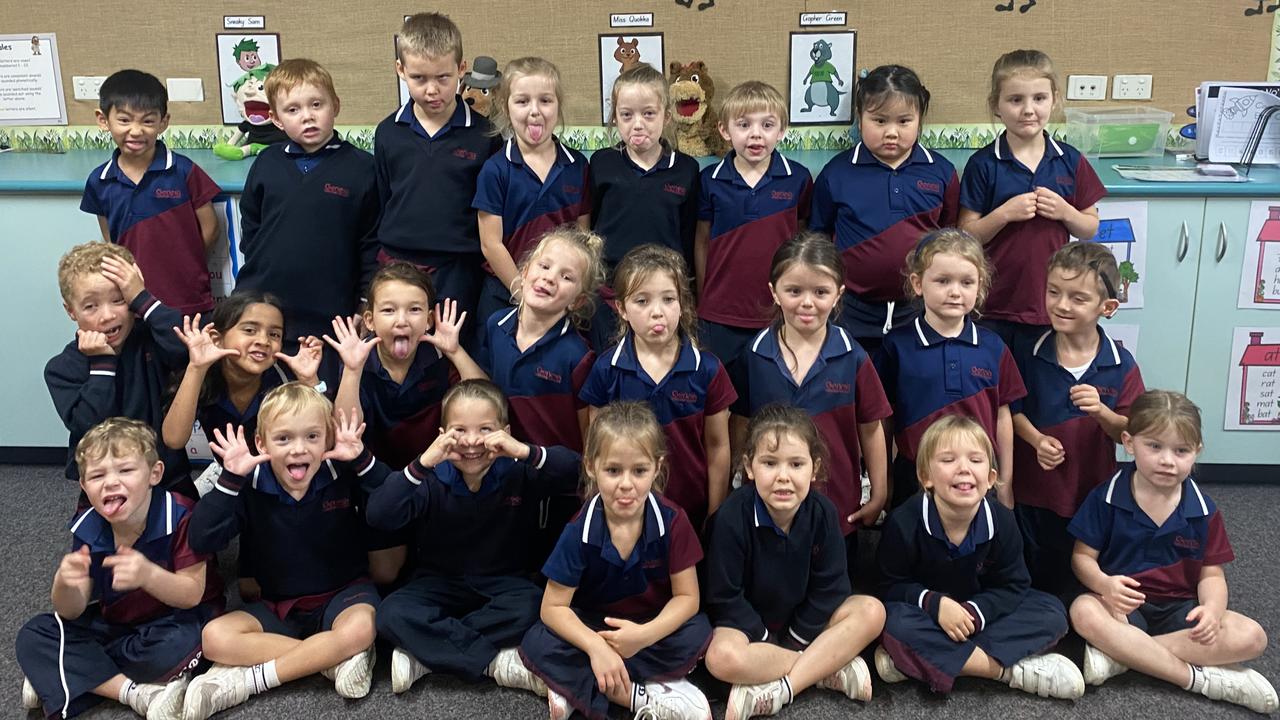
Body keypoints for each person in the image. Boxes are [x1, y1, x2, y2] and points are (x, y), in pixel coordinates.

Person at [182, 384, 389, 718]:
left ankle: (253, 680)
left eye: (311, 437)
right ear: (261, 443)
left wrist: (364, 460)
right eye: (283, 439)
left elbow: (395, 505)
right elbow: (201, 539)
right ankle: (329, 662)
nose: (298, 450)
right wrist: (230, 480)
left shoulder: (340, 472)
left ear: (327, 440)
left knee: (363, 626)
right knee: (214, 637)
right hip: (280, 606)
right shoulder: (248, 483)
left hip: (344, 595)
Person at [1068, 390, 1277, 714]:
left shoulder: (1204, 510)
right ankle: (1196, 678)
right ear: (1129, 442)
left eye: (1181, 450)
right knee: (1082, 610)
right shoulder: (1105, 497)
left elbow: (1212, 574)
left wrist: (1212, 610)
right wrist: (1104, 585)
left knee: (1252, 637)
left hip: (1180, 611)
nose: (1167, 460)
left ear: (1197, 451)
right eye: (1154, 446)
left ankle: (1124, 658)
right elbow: (1082, 559)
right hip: (1122, 609)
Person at [367, 380, 580, 694]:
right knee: (390, 614)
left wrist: (524, 450)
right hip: (438, 582)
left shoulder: (517, 470)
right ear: (442, 436)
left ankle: (427, 655)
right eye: (459, 430)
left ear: (503, 431)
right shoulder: (429, 476)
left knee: (536, 606)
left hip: (504, 583)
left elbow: (577, 472)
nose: (471, 442)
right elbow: (379, 515)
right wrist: (424, 461)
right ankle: (492, 662)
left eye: (484, 429)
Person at [16, 418, 223, 720]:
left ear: (155, 473)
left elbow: (191, 594)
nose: (111, 482)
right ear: (85, 486)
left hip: (175, 620)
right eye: (97, 475)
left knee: (178, 644)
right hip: (118, 624)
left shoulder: (180, 515)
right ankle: (133, 692)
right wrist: (65, 584)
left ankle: (71, 672)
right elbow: (71, 610)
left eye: (125, 470)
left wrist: (148, 575)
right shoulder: (88, 526)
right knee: (34, 634)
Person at [520, 401, 713, 720]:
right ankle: (637, 696)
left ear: (657, 466)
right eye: (613, 470)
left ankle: (579, 687)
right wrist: (596, 648)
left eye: (639, 470)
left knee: (699, 630)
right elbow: (553, 608)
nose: (626, 484)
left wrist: (643, 636)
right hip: (596, 626)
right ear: (591, 466)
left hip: (650, 625)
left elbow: (688, 598)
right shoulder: (578, 529)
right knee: (538, 640)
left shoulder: (674, 521)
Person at [875, 415, 1083, 700]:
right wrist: (936, 605)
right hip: (928, 614)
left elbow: (1014, 585)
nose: (963, 469)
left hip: (981, 615)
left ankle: (921, 659)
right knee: (892, 621)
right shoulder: (904, 522)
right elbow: (889, 586)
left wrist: (974, 613)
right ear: (926, 477)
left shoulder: (1002, 521)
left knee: (1052, 613)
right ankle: (1006, 672)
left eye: (975, 460)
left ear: (991, 479)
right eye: (948, 460)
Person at [704, 405, 884, 719]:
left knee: (872, 611)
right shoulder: (731, 517)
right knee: (720, 657)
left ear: (814, 469)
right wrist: (764, 638)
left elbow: (831, 589)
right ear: (749, 467)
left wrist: (796, 637)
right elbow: (724, 596)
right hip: (752, 631)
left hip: (806, 625)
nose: (783, 477)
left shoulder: (824, 513)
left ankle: (783, 687)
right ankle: (825, 668)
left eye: (796, 464)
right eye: (770, 463)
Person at [728, 233, 890, 577]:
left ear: (839, 295)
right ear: (774, 291)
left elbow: (871, 428)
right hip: (769, 506)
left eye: (820, 292)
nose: (807, 303)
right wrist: (738, 478)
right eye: (794, 291)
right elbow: (740, 424)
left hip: (838, 507)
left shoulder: (854, 357)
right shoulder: (753, 356)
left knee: (833, 597)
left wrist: (879, 491)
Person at [234, 58, 379, 385]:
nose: (308, 116)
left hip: (329, 314)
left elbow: (370, 243)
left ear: (336, 106)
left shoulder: (362, 169)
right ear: (276, 119)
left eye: (317, 104)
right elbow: (251, 227)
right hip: (264, 306)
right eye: (293, 109)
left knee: (318, 401)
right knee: (263, 399)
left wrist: (363, 301)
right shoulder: (267, 162)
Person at [1012, 242, 1144, 596]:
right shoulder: (1029, 353)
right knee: (1036, 575)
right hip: (1034, 495)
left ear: (1108, 307)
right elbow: (1011, 412)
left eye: (1078, 298)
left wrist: (1102, 411)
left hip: (1092, 493)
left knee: (1084, 578)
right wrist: (1036, 440)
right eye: (1054, 292)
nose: (1062, 305)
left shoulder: (1121, 363)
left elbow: (1130, 434)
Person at [958, 49, 1105, 358]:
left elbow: (1090, 228)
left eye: (1039, 98)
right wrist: (1003, 214)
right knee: (996, 384)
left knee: (1040, 388)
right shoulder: (984, 164)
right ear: (996, 106)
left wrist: (1066, 212)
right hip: (993, 304)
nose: (1028, 110)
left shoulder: (1070, 160)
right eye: (1015, 100)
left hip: (1052, 303)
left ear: (1055, 100)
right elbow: (966, 235)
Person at [579, 245, 735, 531]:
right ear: (622, 308)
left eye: (668, 299)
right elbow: (597, 447)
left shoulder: (708, 370)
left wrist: (716, 516)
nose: (657, 313)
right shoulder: (606, 369)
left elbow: (718, 446)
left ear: (682, 304)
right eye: (642, 301)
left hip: (691, 513)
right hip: (624, 514)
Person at [475, 226, 603, 567]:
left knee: (539, 577)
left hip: (554, 487)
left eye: (566, 276)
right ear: (526, 269)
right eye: (544, 266)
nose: (549, 278)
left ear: (577, 300)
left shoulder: (579, 356)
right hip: (501, 478)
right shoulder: (495, 324)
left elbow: (588, 443)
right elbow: (486, 391)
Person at [809, 64, 959, 351]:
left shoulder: (941, 172)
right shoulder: (836, 173)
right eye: (879, 121)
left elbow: (951, 236)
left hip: (920, 308)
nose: (892, 132)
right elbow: (819, 239)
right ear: (860, 118)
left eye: (904, 121)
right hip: (851, 310)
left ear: (919, 120)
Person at [874, 228, 1025, 509]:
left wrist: (1005, 482)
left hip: (978, 479)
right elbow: (883, 420)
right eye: (943, 281)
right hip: (915, 477)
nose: (955, 292)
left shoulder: (993, 347)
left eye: (966, 282)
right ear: (918, 284)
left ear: (979, 287)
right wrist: (884, 481)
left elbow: (1003, 417)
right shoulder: (896, 346)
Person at [373, 12, 501, 339]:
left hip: (459, 268)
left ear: (462, 69)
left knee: (452, 353)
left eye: (444, 77)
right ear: (400, 70)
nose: (432, 90)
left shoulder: (485, 135)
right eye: (419, 78)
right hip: (397, 265)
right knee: (401, 351)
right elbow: (384, 199)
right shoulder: (388, 132)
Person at [46, 242, 195, 498]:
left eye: (119, 300)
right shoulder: (61, 368)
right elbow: (89, 426)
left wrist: (142, 297)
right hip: (107, 481)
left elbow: (186, 347)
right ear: (71, 311)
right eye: (90, 306)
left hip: (165, 473)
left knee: (200, 535)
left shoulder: (150, 339)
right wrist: (103, 365)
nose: (107, 316)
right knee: (97, 539)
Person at [80, 70, 220, 315]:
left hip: (187, 297)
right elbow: (111, 242)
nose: (136, 130)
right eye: (124, 120)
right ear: (103, 120)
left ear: (163, 122)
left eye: (147, 121)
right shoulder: (99, 181)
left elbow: (211, 228)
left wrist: (186, 262)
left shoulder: (182, 170)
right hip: (133, 301)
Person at [695, 80, 813, 366]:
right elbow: (701, 240)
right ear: (724, 130)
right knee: (720, 399)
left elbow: (803, 239)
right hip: (719, 312)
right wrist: (703, 296)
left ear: (782, 130)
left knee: (770, 397)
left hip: (777, 311)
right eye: (744, 125)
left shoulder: (798, 178)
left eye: (767, 125)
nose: (756, 135)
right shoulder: (709, 179)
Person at [588, 63, 700, 351]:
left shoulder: (686, 170)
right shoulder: (601, 164)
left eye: (648, 113)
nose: (637, 124)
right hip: (609, 292)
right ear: (615, 117)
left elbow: (688, 235)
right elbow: (588, 226)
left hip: (663, 292)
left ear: (666, 115)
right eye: (626, 115)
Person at [474, 56, 591, 323]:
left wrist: (567, 291)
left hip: (558, 296)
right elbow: (490, 243)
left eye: (545, 100)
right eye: (522, 101)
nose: (535, 111)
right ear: (506, 107)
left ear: (558, 106)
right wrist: (523, 291)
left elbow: (582, 236)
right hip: (504, 294)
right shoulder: (495, 169)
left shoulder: (578, 166)